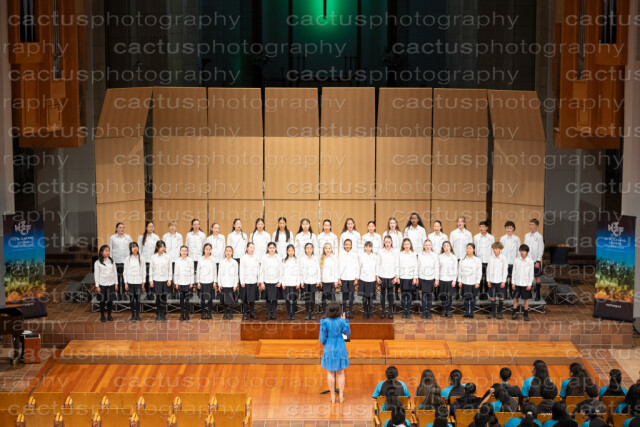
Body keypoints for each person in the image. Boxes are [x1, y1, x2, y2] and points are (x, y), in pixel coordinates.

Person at [319, 301, 350, 404]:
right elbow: (347, 333)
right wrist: (344, 320)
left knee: (330, 373)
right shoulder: (342, 321)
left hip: (329, 346)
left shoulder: (324, 322)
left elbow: (322, 339)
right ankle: (341, 395)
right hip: (340, 346)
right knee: (341, 373)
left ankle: (332, 396)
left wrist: (325, 342)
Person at [449, 217, 473, 299]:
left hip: (465, 257)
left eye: (462, 221)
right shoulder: (453, 233)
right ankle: (456, 293)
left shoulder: (468, 233)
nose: (460, 223)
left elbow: (470, 246)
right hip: (455, 257)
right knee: (455, 275)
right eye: (458, 221)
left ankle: (463, 293)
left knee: (464, 274)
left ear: (464, 223)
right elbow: (451, 246)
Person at [458, 243, 482, 319]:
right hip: (464, 281)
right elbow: (459, 271)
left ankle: (471, 312)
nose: (468, 250)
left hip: (473, 282)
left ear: (473, 250)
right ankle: (466, 312)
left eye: (470, 248)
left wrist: (477, 282)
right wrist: (460, 280)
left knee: (472, 298)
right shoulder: (462, 259)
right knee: (465, 298)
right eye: (467, 248)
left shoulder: (477, 260)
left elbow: (479, 272)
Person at [378, 236, 400, 319]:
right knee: (382, 294)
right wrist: (377, 276)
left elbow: (397, 264)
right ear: (384, 242)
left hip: (391, 276)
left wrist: (396, 276)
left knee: (390, 294)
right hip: (382, 275)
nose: (387, 244)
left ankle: (390, 311)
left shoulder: (395, 252)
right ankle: (383, 311)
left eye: (389, 242)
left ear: (391, 242)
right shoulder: (380, 251)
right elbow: (378, 264)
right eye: (386, 242)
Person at [149, 240, 171, 321]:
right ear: (157, 247)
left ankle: (163, 313)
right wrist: (151, 280)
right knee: (158, 297)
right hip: (156, 279)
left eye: (164, 246)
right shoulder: (153, 257)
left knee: (164, 297)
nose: (163, 248)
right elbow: (151, 269)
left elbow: (170, 269)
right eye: (161, 246)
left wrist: (169, 279)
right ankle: (158, 313)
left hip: (165, 279)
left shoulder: (167, 257)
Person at [94, 245, 118, 322]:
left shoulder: (112, 261)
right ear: (101, 252)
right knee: (102, 301)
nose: (108, 252)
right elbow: (96, 275)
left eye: (109, 251)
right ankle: (102, 315)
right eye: (106, 251)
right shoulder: (97, 262)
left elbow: (115, 273)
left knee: (110, 301)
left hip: (111, 283)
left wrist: (116, 283)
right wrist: (97, 285)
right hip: (102, 284)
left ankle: (109, 315)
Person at [109, 223, 132, 299]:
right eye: (120, 227)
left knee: (125, 278)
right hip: (116, 261)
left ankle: (124, 293)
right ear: (116, 229)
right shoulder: (112, 238)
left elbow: (131, 248)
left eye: (123, 227)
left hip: (125, 261)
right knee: (118, 278)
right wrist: (111, 261)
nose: (122, 229)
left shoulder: (128, 237)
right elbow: (110, 250)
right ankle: (118, 293)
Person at [259, 242, 282, 320]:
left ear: (275, 249)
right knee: (268, 299)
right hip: (267, 281)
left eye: (273, 248)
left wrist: (280, 281)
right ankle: (268, 313)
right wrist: (262, 282)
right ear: (268, 249)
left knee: (274, 299)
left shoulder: (278, 257)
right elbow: (261, 270)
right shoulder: (264, 258)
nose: (272, 249)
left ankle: (274, 313)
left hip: (276, 281)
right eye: (270, 248)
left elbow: (281, 270)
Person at [512, 244, 535, 321]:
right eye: (521, 251)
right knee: (516, 298)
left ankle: (525, 314)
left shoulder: (530, 261)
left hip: (525, 284)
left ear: (527, 252)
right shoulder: (516, 260)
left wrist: (529, 284)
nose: (522, 252)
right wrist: (513, 282)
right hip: (517, 283)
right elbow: (514, 272)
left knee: (526, 299)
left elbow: (531, 274)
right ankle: (514, 313)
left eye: (523, 251)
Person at [487, 242, 509, 319]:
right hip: (492, 281)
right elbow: (488, 269)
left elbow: (505, 270)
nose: (494, 250)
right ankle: (493, 312)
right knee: (492, 297)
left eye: (496, 249)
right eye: (493, 249)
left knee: (501, 297)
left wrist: (503, 281)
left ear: (500, 249)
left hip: (500, 281)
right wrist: (488, 280)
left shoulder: (504, 258)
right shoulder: (491, 258)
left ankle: (500, 313)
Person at [524, 219, 544, 301]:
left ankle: (538, 294)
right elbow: (525, 247)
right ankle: (528, 293)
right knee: (528, 276)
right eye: (530, 224)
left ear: (536, 226)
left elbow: (540, 249)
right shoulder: (526, 235)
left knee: (537, 277)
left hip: (535, 260)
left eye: (532, 225)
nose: (530, 226)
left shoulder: (539, 237)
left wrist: (538, 261)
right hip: (528, 260)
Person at [138, 221, 159, 300]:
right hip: (145, 261)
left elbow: (158, 249)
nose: (151, 228)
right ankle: (147, 293)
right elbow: (139, 249)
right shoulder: (141, 237)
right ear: (146, 228)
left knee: (153, 277)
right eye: (149, 226)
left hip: (154, 261)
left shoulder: (156, 237)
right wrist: (140, 259)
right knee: (146, 277)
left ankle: (152, 293)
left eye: (152, 226)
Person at [418, 240, 439, 319]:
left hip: (431, 278)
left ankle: (429, 312)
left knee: (429, 295)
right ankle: (424, 312)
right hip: (422, 277)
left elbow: (436, 267)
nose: (428, 246)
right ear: (424, 246)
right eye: (426, 245)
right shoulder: (420, 255)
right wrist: (417, 277)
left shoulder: (434, 255)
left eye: (429, 245)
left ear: (431, 246)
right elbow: (418, 266)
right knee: (423, 295)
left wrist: (436, 279)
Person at [474, 221, 495, 300]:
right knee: (479, 276)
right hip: (478, 260)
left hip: (488, 260)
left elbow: (492, 249)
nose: (481, 228)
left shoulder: (491, 237)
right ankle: (479, 292)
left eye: (483, 226)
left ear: (486, 228)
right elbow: (475, 248)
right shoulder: (476, 237)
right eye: (480, 226)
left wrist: (492, 259)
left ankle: (485, 293)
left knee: (486, 277)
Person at [300, 242, 321, 320]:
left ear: (312, 249)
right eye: (307, 248)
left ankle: (312, 312)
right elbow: (300, 271)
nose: (309, 250)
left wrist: (318, 280)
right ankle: (306, 312)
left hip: (313, 280)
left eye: (310, 248)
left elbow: (318, 270)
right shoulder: (302, 259)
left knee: (312, 298)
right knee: (307, 297)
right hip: (305, 281)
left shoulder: (316, 258)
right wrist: (301, 281)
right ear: (305, 250)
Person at [123, 242, 144, 321]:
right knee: (131, 299)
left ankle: (137, 315)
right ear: (130, 249)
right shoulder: (127, 259)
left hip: (138, 281)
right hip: (130, 281)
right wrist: (125, 282)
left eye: (136, 247)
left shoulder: (141, 258)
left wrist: (143, 282)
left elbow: (144, 271)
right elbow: (125, 271)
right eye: (133, 247)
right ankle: (132, 315)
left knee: (138, 299)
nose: (135, 248)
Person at [338, 239, 358, 319]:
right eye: (346, 244)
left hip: (352, 278)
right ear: (344, 245)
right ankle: (344, 312)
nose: (347, 246)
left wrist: (356, 278)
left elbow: (356, 267)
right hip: (343, 278)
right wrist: (339, 278)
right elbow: (338, 267)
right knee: (344, 296)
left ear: (351, 245)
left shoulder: (354, 255)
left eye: (349, 244)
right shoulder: (341, 255)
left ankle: (350, 312)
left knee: (351, 296)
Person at [398, 238, 419, 318]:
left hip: (410, 277)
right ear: (403, 245)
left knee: (409, 295)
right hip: (402, 277)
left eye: (408, 244)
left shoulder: (413, 254)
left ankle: (408, 311)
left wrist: (415, 277)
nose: (406, 246)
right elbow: (398, 266)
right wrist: (398, 277)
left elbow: (416, 266)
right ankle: (404, 311)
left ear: (410, 245)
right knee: (403, 294)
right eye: (405, 244)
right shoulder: (400, 254)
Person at [500, 221, 521, 299]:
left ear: (513, 229)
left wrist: (518, 261)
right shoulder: (502, 238)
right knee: (504, 278)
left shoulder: (517, 239)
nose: (508, 229)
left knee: (512, 278)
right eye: (507, 228)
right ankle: (505, 294)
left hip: (513, 262)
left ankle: (512, 293)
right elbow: (500, 250)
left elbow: (518, 251)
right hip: (504, 262)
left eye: (510, 228)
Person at [173, 246, 195, 321]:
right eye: (182, 250)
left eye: (185, 250)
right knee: (181, 300)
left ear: (187, 252)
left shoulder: (190, 260)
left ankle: (187, 315)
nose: (184, 252)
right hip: (180, 282)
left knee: (187, 300)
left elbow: (192, 272)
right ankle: (182, 314)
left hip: (188, 283)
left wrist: (191, 282)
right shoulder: (177, 261)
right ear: (180, 252)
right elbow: (176, 272)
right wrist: (176, 283)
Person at [239, 242, 260, 320]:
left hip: (254, 280)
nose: (252, 249)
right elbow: (241, 270)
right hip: (246, 281)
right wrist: (242, 281)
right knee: (245, 298)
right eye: (251, 247)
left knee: (252, 298)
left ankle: (252, 313)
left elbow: (258, 269)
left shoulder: (256, 257)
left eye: (253, 248)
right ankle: (245, 313)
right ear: (247, 248)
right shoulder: (243, 258)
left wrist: (258, 280)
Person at [217, 246, 239, 320]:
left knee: (231, 300)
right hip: (224, 284)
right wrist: (219, 284)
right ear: (224, 252)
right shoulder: (222, 262)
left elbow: (236, 274)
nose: (228, 252)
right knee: (224, 300)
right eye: (227, 251)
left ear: (232, 253)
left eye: (230, 251)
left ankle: (231, 313)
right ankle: (225, 313)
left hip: (231, 284)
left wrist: (235, 285)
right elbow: (219, 273)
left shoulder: (234, 262)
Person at [197, 243, 217, 319]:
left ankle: (209, 313)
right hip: (202, 281)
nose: (208, 250)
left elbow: (214, 271)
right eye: (206, 249)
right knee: (202, 298)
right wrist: (198, 282)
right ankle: (203, 312)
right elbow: (198, 271)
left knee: (210, 298)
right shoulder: (200, 259)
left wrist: (215, 281)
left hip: (210, 281)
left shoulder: (213, 259)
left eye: (209, 249)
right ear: (204, 250)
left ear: (211, 250)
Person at [359, 241, 377, 318]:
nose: (368, 248)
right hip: (363, 278)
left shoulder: (375, 256)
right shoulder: (361, 256)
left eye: (369, 247)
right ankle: (365, 311)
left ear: (372, 248)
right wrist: (358, 277)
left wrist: (376, 277)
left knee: (370, 297)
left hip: (372, 279)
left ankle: (370, 311)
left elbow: (376, 267)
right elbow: (359, 267)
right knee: (364, 297)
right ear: (364, 248)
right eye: (366, 247)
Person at [282, 244, 301, 321]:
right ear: (287, 251)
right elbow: (282, 272)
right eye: (289, 251)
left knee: (294, 299)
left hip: (294, 283)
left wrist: (298, 283)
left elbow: (299, 272)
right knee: (287, 299)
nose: (290, 252)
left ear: (294, 251)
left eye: (292, 251)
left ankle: (293, 313)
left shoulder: (297, 260)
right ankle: (289, 313)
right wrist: (283, 282)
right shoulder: (284, 260)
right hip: (286, 283)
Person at [320, 243, 339, 313]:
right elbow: (320, 271)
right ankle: (324, 312)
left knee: (333, 297)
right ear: (324, 249)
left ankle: (333, 312)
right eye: (326, 248)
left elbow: (336, 269)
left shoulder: (334, 258)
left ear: (331, 249)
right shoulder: (321, 258)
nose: (327, 250)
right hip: (324, 281)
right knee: (324, 297)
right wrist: (320, 280)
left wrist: (336, 280)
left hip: (332, 281)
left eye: (329, 248)